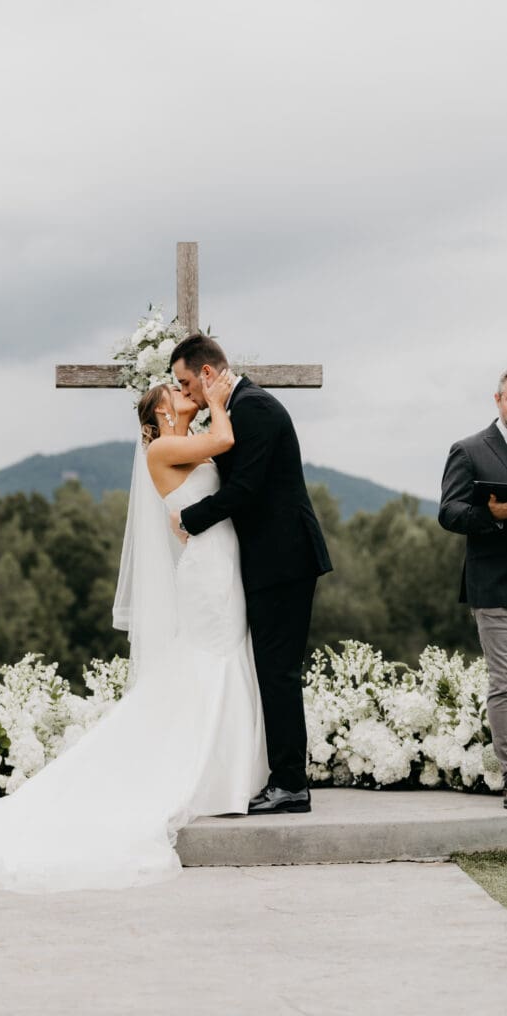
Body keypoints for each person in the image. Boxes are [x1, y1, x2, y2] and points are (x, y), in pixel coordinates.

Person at [0, 368, 268, 893]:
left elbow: (204, 487)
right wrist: (219, 399)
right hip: (208, 578)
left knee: (222, 657)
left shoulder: (184, 446)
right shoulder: (162, 452)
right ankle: (216, 780)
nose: (187, 393)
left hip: (219, 564)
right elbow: (226, 440)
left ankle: (230, 775)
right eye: (177, 392)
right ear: (161, 414)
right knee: (210, 658)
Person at [169, 334, 333, 814]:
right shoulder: (237, 408)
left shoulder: (255, 408)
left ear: (206, 373)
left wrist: (189, 520)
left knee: (278, 672)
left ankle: (290, 785)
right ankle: (281, 777)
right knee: (271, 670)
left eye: (186, 383)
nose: (187, 395)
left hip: (283, 560)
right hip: (268, 560)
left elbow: (245, 488)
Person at [439, 368, 507, 807]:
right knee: (505, 683)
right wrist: (497, 516)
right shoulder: (469, 450)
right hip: (497, 586)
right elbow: (449, 511)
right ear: (498, 399)